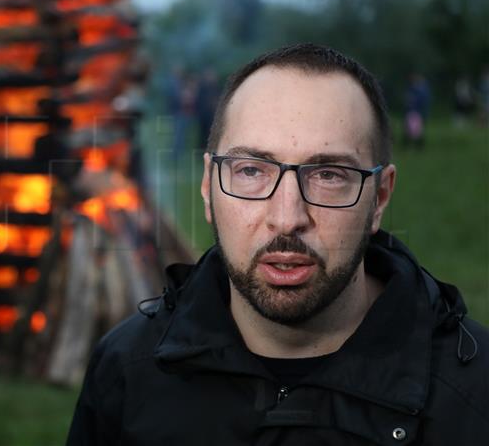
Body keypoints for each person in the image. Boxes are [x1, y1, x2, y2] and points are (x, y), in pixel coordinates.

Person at [67, 44, 488, 445]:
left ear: (379, 198)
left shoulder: (474, 393)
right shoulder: (125, 371)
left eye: (328, 175)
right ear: (208, 187)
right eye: (251, 171)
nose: (287, 218)